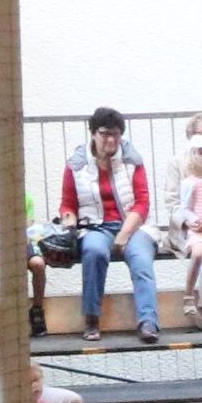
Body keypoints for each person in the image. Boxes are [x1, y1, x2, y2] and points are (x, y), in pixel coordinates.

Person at [53, 107, 160, 344]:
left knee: (141, 260)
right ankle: (91, 318)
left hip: (132, 227)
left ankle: (148, 321)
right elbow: (68, 204)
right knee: (93, 252)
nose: (110, 140)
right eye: (104, 134)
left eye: (116, 134)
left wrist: (124, 234)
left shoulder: (133, 161)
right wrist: (69, 222)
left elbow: (142, 203)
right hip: (95, 227)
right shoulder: (76, 165)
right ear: (93, 134)